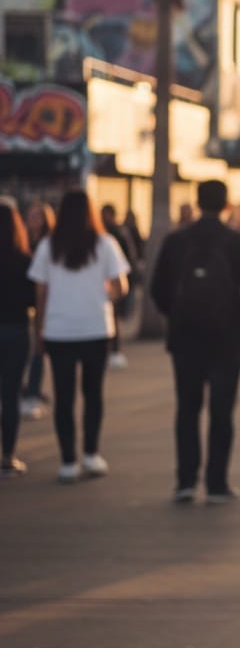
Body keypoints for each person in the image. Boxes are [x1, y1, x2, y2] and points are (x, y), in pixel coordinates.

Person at [149, 180, 240, 503]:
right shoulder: (239, 241)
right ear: (226, 203)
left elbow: (158, 288)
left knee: (187, 409)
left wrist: (175, 316)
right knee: (221, 412)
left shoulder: (176, 240)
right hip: (226, 339)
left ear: (197, 202)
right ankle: (216, 484)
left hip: (185, 339)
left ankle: (185, 482)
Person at [28, 189, 130, 483]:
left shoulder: (49, 246)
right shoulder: (105, 243)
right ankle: (91, 453)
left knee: (64, 396)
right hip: (95, 328)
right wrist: (101, 296)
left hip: (59, 330)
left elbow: (40, 292)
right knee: (93, 394)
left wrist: (40, 329)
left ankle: (68, 461)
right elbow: (121, 287)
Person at [0, 198, 36, 475]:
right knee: (10, 395)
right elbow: (34, 299)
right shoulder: (25, 260)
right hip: (16, 330)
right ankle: (8, 456)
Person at [21, 199, 55, 419]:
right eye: (31, 216)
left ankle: (32, 389)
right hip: (22, 304)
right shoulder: (20, 242)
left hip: (42, 303)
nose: (33, 220)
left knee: (38, 350)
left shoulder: (49, 245)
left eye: (38, 216)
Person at [99, 203, 139, 369]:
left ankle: (115, 350)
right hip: (110, 286)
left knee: (115, 319)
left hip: (112, 285)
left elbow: (129, 259)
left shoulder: (113, 236)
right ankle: (113, 350)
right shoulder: (107, 237)